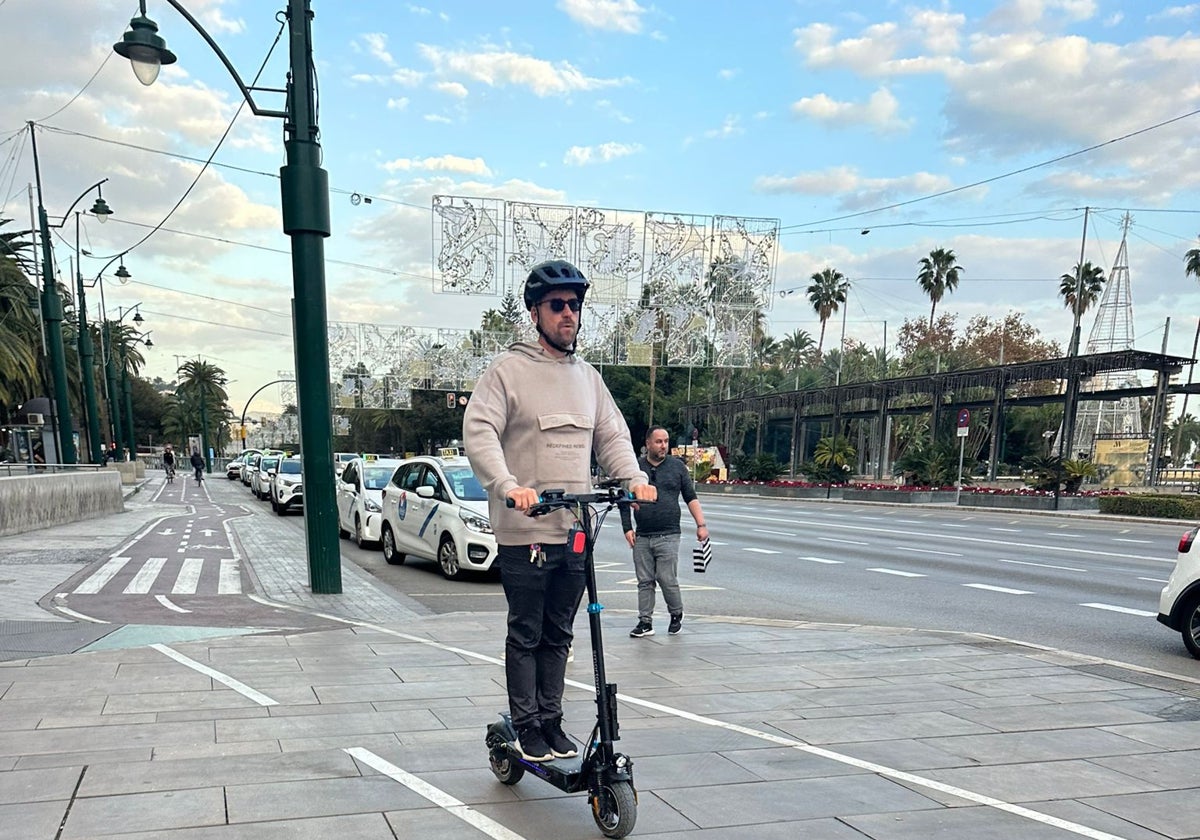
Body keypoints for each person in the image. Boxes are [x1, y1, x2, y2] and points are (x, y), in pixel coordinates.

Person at [464, 259, 656, 764]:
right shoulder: (507, 373)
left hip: (575, 529)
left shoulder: (588, 379)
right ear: (535, 313)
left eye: (574, 305)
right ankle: (525, 724)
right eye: (557, 305)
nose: (568, 313)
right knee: (526, 631)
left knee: (562, 632)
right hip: (524, 531)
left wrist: (633, 478)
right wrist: (507, 486)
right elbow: (480, 432)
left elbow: (612, 435)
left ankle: (551, 720)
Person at [621, 426, 708, 638]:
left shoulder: (677, 467)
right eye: (659, 441)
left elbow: (690, 496)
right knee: (644, 580)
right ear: (648, 444)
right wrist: (627, 528)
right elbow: (624, 500)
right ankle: (645, 622)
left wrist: (701, 524)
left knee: (666, 578)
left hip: (668, 534)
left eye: (666, 441)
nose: (663, 446)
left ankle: (676, 613)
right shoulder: (636, 469)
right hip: (642, 534)